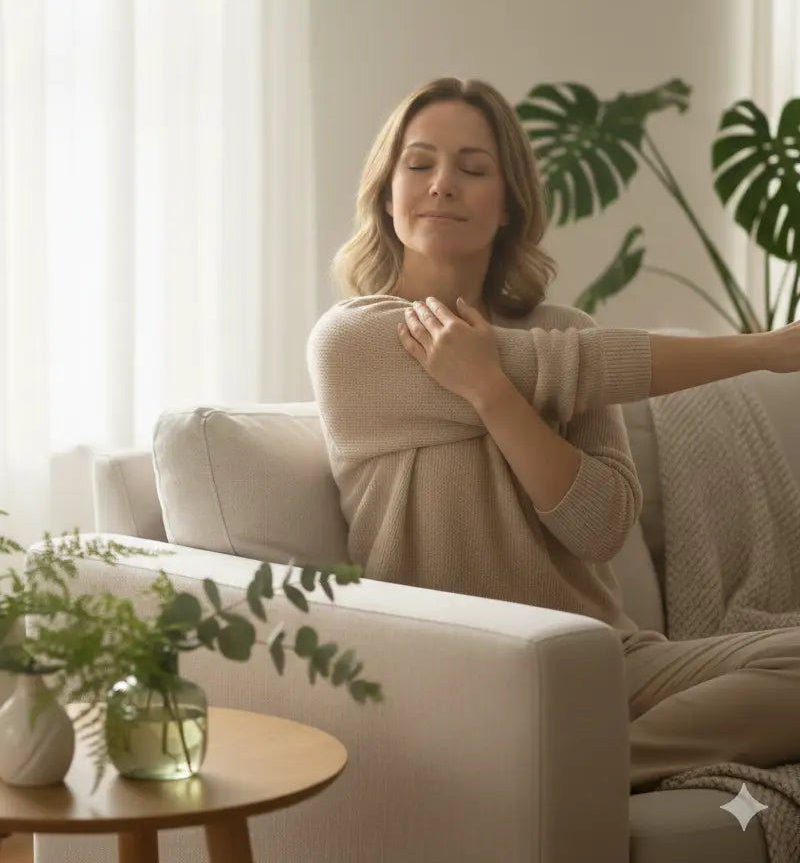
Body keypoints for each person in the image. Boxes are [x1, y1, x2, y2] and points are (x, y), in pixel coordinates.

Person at [305, 76, 800, 793]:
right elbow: (574, 369)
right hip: (472, 673)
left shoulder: (563, 332)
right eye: (419, 164)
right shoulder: (355, 339)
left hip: (606, 662)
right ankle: (569, 771)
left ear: (508, 205)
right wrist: (764, 349)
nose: (443, 184)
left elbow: (599, 527)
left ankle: (570, 775)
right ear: (387, 192)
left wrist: (492, 392)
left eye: (474, 169)